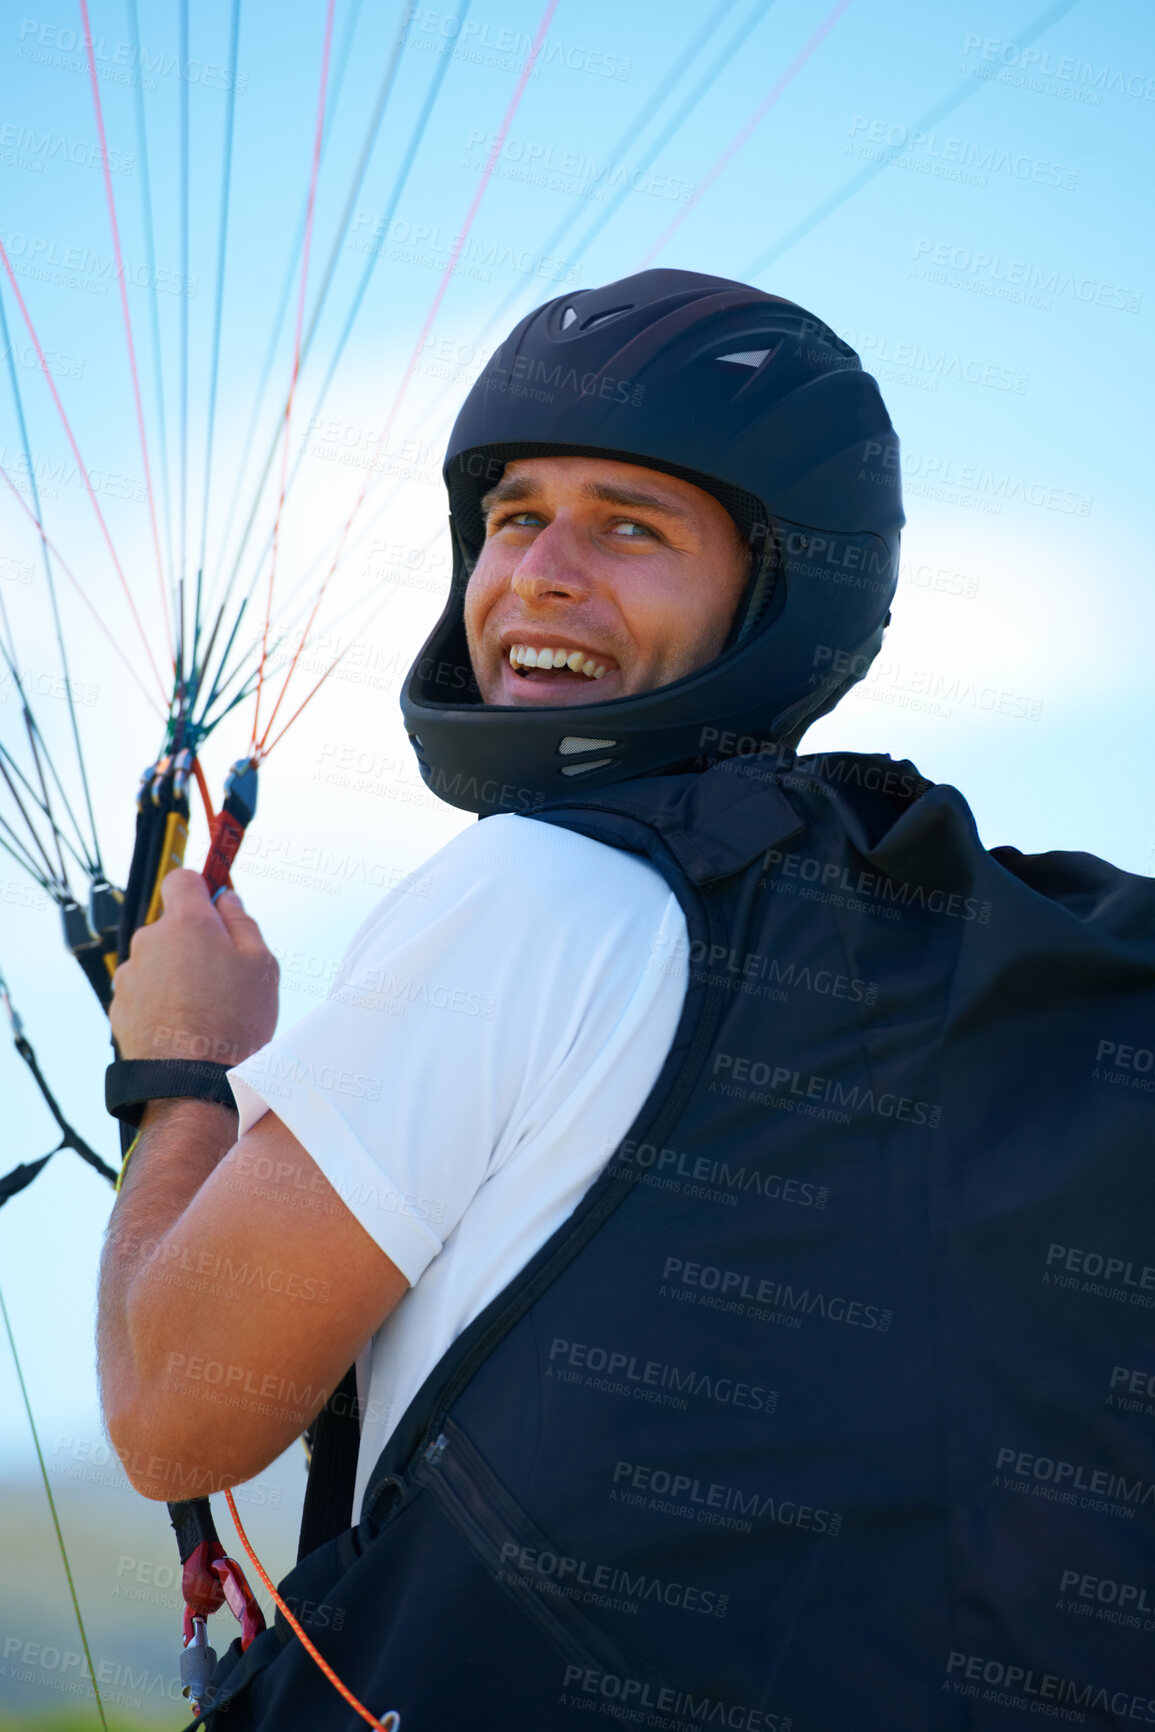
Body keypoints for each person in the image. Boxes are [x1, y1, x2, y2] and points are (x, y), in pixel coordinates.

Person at [99, 270, 1155, 1731]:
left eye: (632, 526)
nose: (536, 570)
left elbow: (175, 1412)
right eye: (513, 513)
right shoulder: (887, 936)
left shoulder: (532, 891)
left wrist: (184, 1066)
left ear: (776, 591)